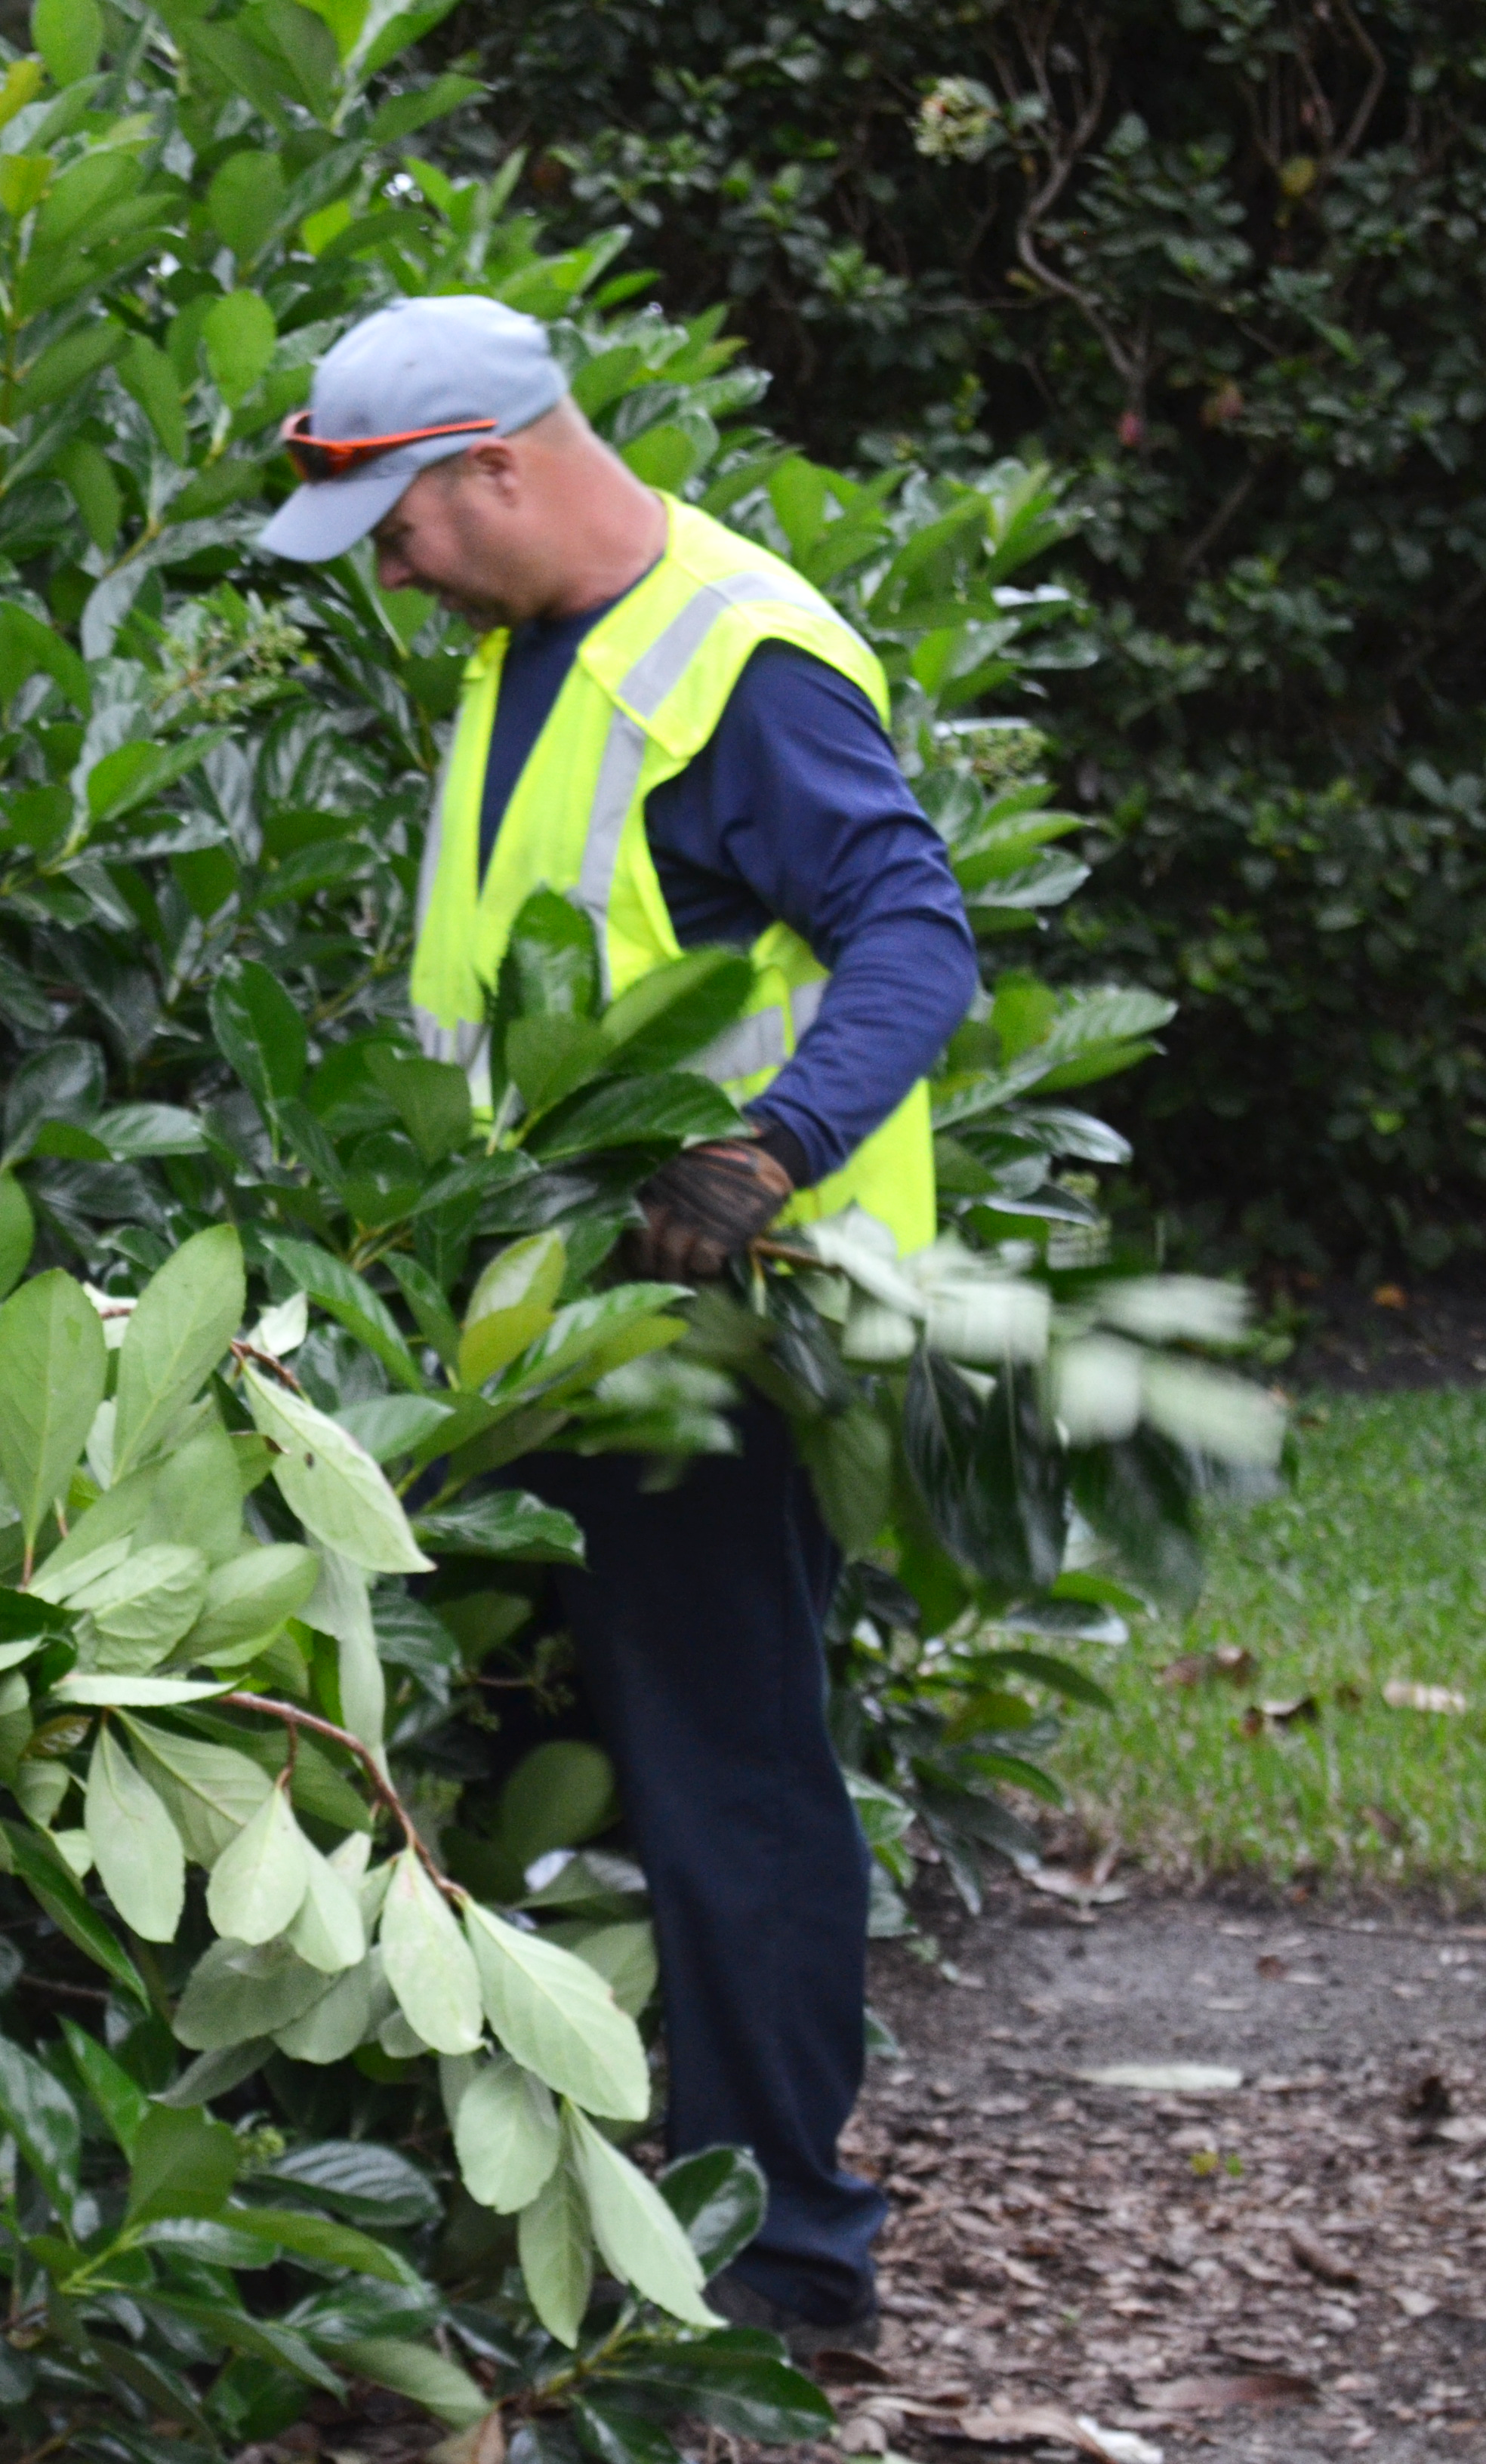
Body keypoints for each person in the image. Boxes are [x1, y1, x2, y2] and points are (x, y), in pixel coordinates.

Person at [257, 294, 981, 2352]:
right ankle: (630, 2216)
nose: (388, 577)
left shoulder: (737, 667)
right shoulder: (528, 653)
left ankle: (796, 2266)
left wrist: (765, 1154)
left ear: (494, 463)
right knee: (595, 1761)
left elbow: (917, 940)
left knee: (727, 1777)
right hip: (565, 1328)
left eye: (398, 529)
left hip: (731, 1339)